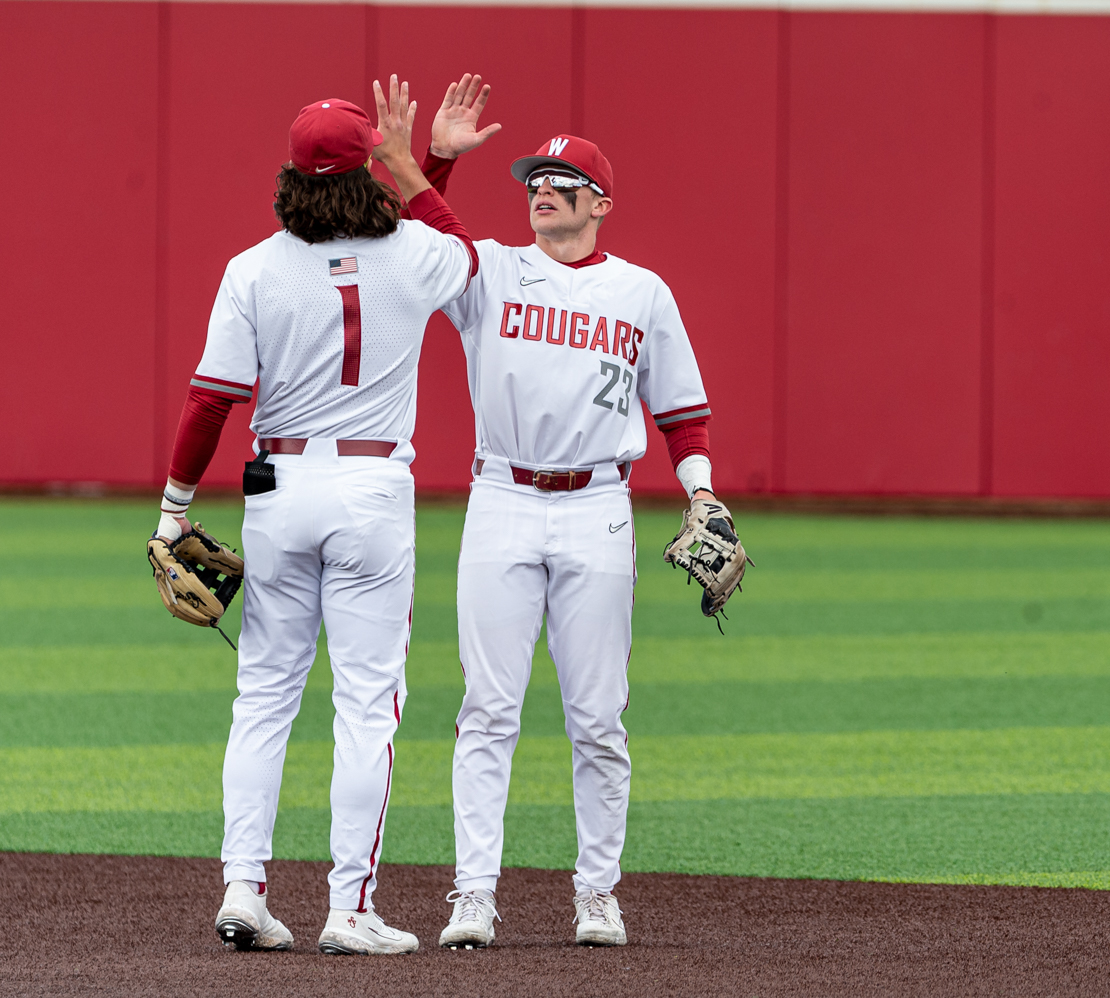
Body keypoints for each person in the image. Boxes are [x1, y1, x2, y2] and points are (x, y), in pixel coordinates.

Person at [152, 75, 493, 955]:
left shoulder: (252, 268)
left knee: (263, 696)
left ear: (290, 180)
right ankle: (349, 908)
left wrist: (171, 513)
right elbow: (454, 251)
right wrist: (426, 163)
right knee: (366, 705)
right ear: (371, 174)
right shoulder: (412, 252)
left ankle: (244, 890)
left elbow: (209, 401)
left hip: (278, 490)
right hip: (372, 495)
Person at [411, 121, 723, 950]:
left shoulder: (642, 292)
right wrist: (436, 153)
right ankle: (473, 893)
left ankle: (597, 893)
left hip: (598, 508)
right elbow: (415, 232)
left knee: (597, 717)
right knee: (487, 709)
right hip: (502, 496)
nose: (540, 190)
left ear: (601, 202)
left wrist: (702, 498)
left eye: (560, 180)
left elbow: (682, 412)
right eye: (532, 180)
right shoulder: (491, 270)